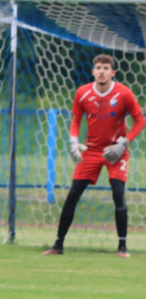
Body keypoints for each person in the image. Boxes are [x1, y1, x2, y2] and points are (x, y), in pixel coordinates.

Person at [44, 53, 145, 257]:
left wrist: (123, 144)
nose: (101, 71)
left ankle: (122, 247)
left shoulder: (124, 93)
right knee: (73, 195)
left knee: (118, 193)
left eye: (106, 68)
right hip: (91, 151)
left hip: (116, 152)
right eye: (98, 67)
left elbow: (140, 121)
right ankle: (58, 245)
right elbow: (75, 121)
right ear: (93, 71)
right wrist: (74, 143)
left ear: (112, 73)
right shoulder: (82, 93)